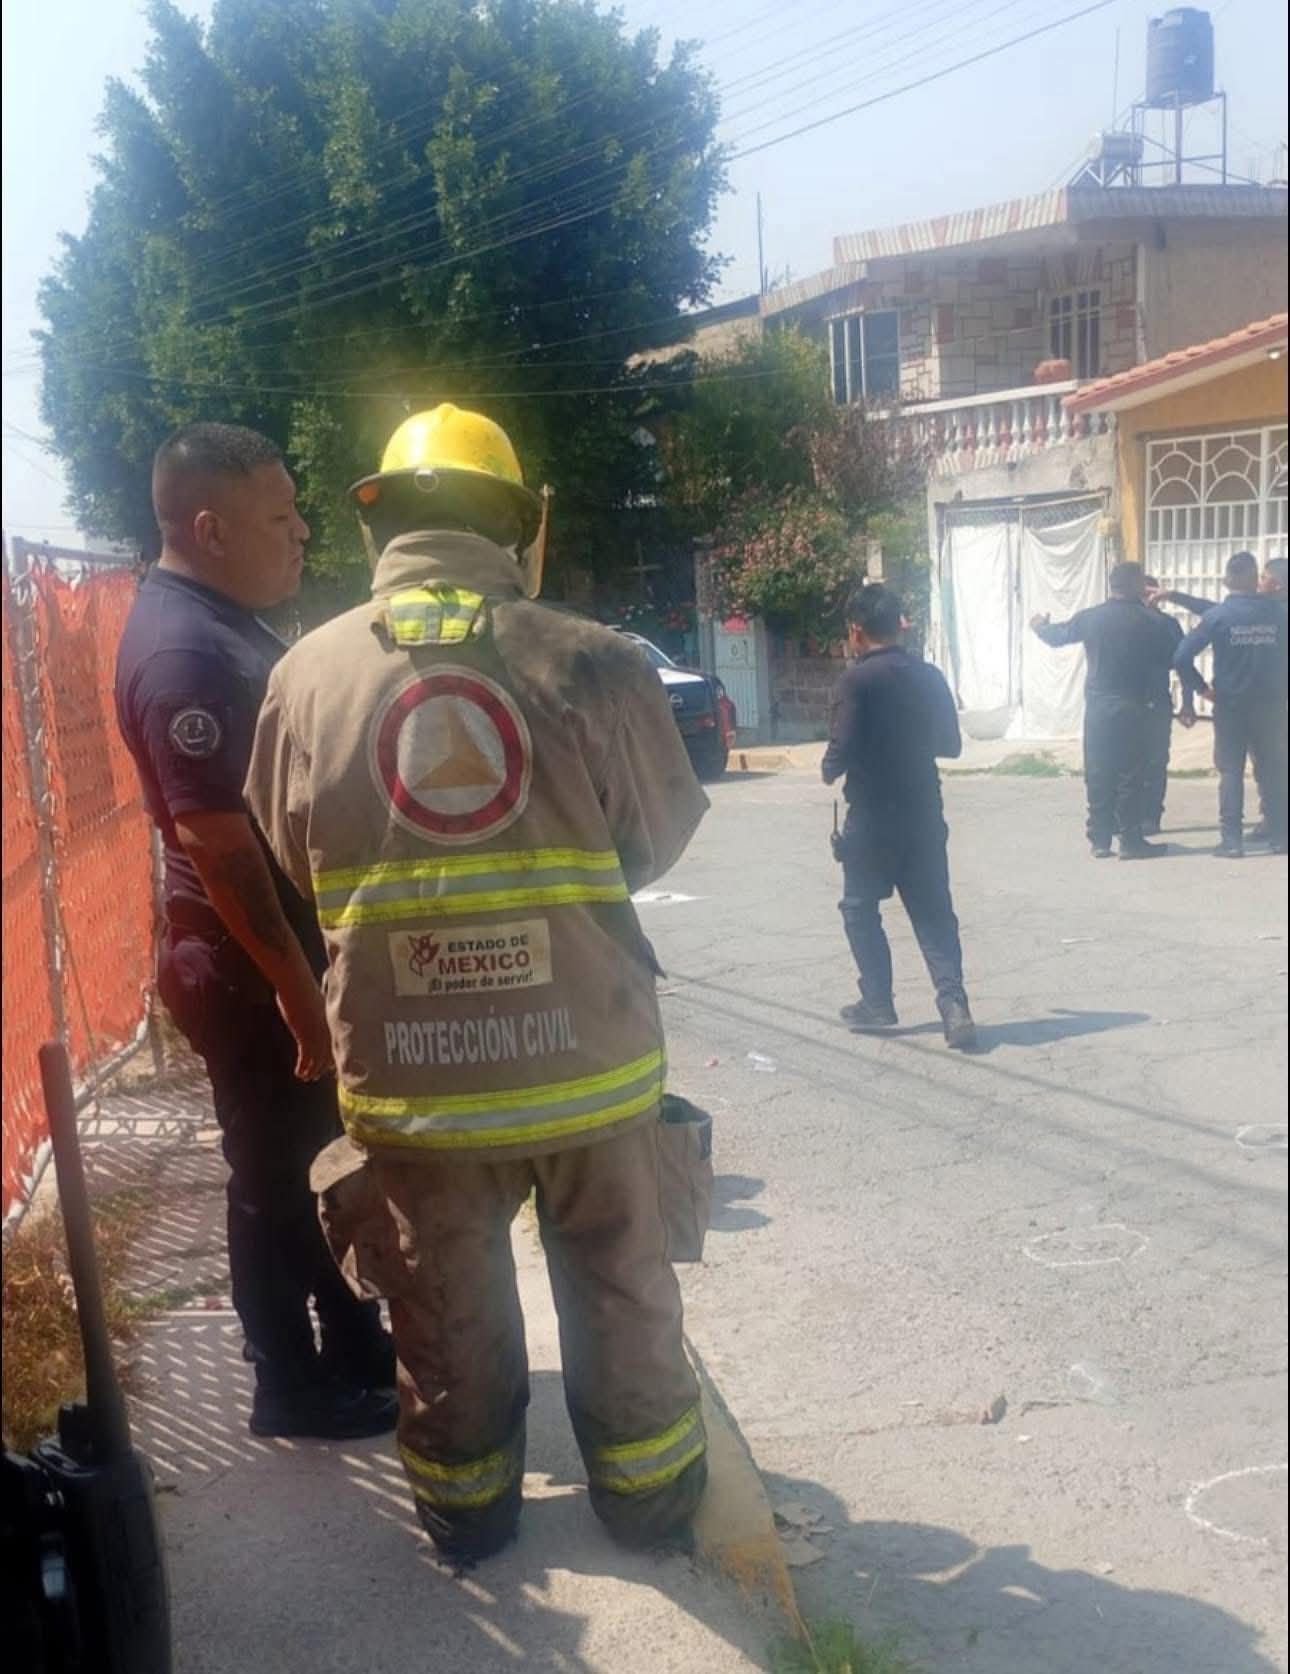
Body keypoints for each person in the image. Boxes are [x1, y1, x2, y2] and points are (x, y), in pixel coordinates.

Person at [244, 404, 711, 1565]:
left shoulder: (305, 677)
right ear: (517, 523)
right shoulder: (593, 659)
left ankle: (468, 1512)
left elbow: (294, 856)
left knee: (444, 1311)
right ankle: (649, 1500)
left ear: (379, 523)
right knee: (621, 1287)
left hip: (415, 1084)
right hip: (587, 1067)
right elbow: (654, 839)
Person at [115, 424, 396, 1441]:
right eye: (280, 516)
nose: (301, 532)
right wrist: (296, 989)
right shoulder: (185, 650)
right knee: (273, 1178)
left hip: (271, 957)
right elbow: (217, 843)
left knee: (311, 1155)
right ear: (211, 529)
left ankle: (352, 1339)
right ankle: (289, 1382)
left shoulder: (221, 623)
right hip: (244, 967)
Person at [822, 582, 976, 1051]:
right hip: (924, 811)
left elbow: (840, 751)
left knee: (859, 908)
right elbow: (951, 745)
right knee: (934, 913)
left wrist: (829, 767)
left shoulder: (856, 681)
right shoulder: (930, 676)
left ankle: (877, 1001)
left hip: (872, 817)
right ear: (898, 625)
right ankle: (955, 1006)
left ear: (856, 630)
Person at [1030, 561, 1179, 860]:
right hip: (1135, 705)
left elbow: (1058, 636)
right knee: (1131, 774)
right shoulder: (1153, 621)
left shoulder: (1092, 617)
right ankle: (1131, 840)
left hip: (1099, 707)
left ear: (1113, 585)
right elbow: (1175, 655)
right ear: (1138, 585)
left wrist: (1039, 627)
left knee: (1099, 770)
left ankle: (1100, 839)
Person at [1173, 550, 1288, 857]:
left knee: (1231, 772)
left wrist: (1202, 690)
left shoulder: (1218, 617)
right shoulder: (1279, 614)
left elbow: (1181, 657)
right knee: (1274, 769)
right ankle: (1280, 837)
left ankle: (1232, 841)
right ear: (1254, 580)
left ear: (1226, 581)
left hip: (1231, 706)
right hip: (1271, 706)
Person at [1140, 576, 1197, 835]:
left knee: (1154, 761)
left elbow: (1184, 664)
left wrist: (1188, 703)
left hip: (1154, 702)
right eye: (1143, 593)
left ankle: (1150, 816)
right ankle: (1131, 816)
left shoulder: (1167, 625)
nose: (1147, 598)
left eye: (1150, 593)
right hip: (1132, 703)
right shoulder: (1118, 622)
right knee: (1132, 762)